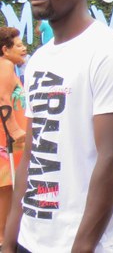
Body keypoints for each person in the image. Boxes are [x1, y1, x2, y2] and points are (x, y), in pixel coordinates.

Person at [5, 0, 113, 252]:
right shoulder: (39, 60)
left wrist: (81, 247)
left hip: (95, 245)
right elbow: (32, 153)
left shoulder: (107, 53)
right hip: (33, 240)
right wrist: (11, 239)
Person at [0, 27, 28, 246]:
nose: (24, 48)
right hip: (7, 140)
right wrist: (15, 131)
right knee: (6, 187)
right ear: (5, 50)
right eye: (18, 45)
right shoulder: (5, 66)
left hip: (10, 138)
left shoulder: (9, 66)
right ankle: (3, 237)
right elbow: (2, 98)